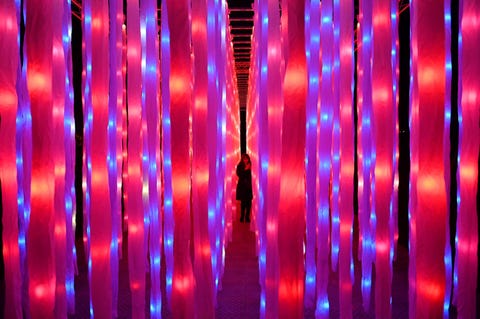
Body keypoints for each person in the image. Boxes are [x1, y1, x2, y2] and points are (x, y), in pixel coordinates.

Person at [236, 153, 253, 223]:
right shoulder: (240, 165)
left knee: (249, 202)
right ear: (242, 159)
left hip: (249, 186)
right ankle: (242, 216)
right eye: (244, 159)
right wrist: (246, 169)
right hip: (242, 186)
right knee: (243, 202)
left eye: (247, 158)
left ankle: (247, 217)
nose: (246, 160)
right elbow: (239, 174)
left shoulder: (251, 165)